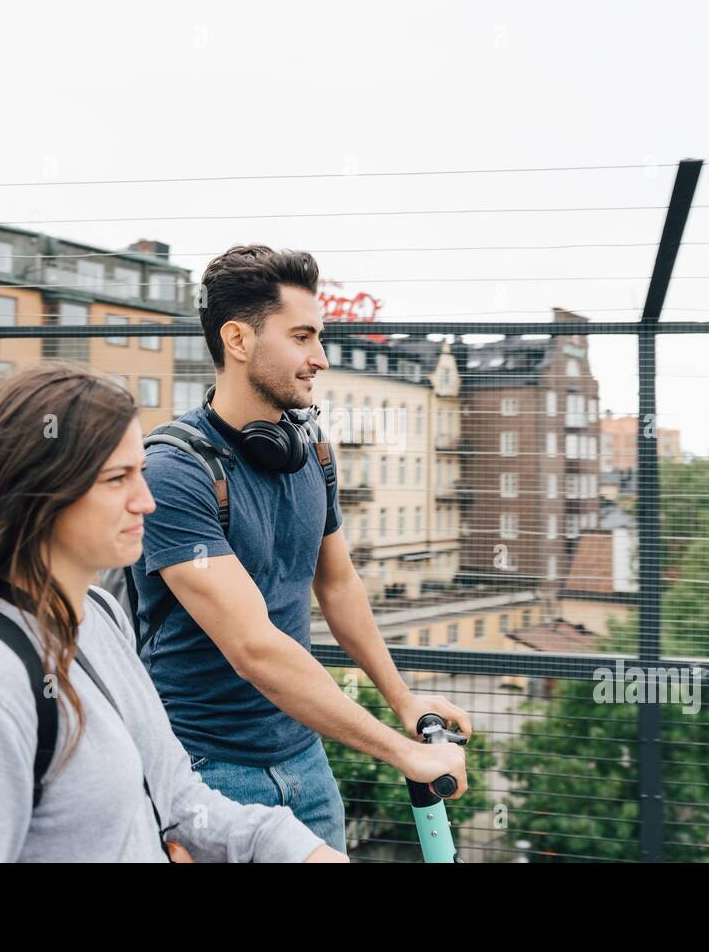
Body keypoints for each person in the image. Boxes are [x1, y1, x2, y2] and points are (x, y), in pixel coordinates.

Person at [0, 362, 345, 862]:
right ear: (39, 493)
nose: (146, 502)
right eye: (116, 479)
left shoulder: (98, 617)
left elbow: (179, 801)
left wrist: (297, 849)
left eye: (140, 474)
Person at [110, 245, 471, 854]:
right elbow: (254, 649)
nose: (320, 359)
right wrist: (399, 750)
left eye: (320, 337)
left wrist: (403, 701)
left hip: (303, 757)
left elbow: (338, 586)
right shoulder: (175, 472)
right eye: (302, 337)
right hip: (203, 769)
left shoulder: (312, 449)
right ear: (237, 339)